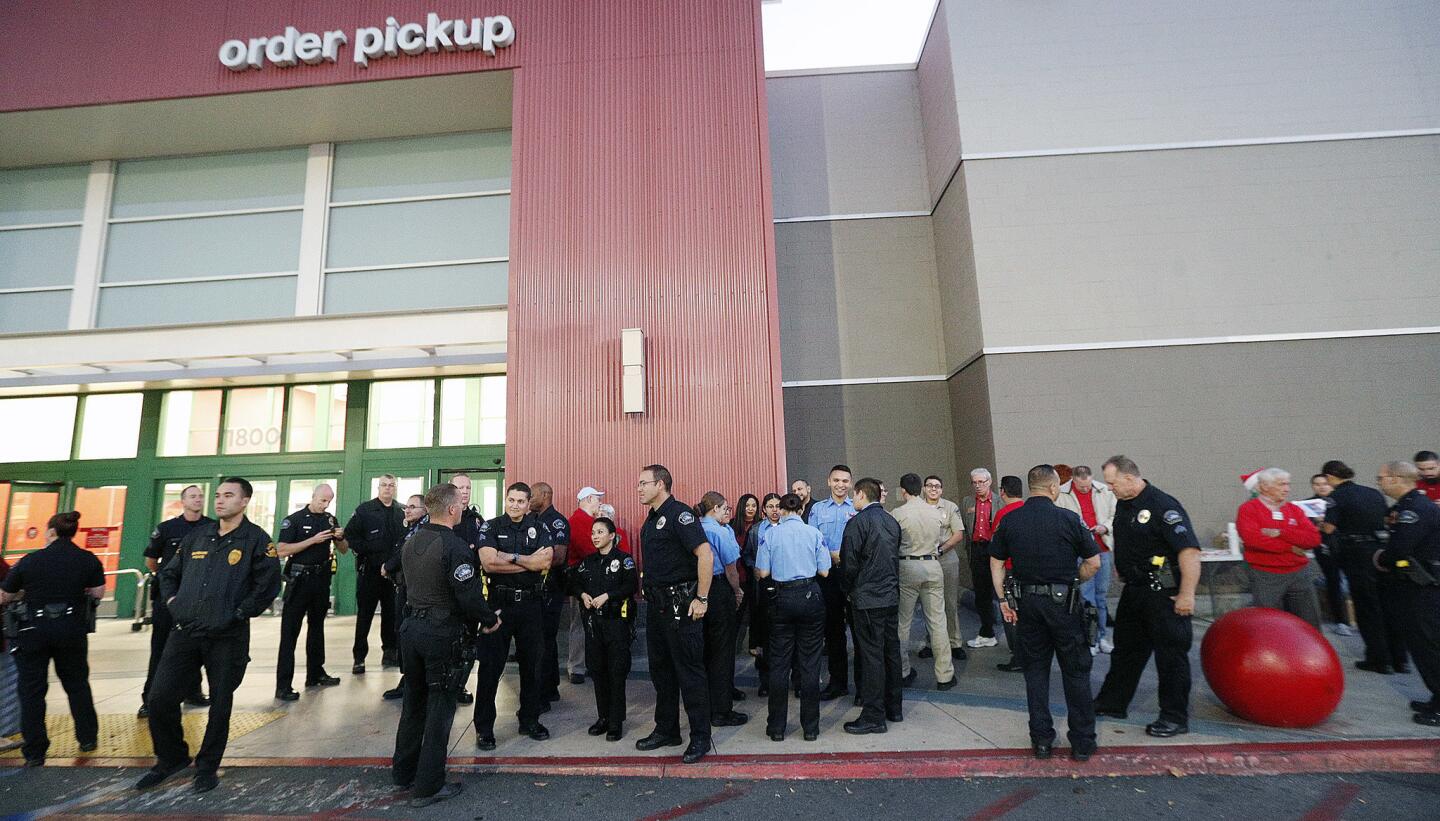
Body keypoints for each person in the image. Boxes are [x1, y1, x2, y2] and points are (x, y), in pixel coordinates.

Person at [137, 477, 281, 793]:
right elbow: (169, 572)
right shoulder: (197, 536)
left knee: (220, 703)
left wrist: (239, 614)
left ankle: (207, 767)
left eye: (228, 495)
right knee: (159, 698)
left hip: (226, 637)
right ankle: (171, 758)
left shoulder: (256, 539)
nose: (219, 500)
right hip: (186, 631)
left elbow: (269, 585)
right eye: (217, 495)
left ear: (244, 502)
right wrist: (174, 602)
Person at [391, 482, 501, 808]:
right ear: (453, 509)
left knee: (413, 702)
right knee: (440, 709)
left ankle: (404, 771)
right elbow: (467, 594)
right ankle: (428, 786)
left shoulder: (412, 542)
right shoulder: (454, 546)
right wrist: (488, 619)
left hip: (411, 629)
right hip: (441, 633)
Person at [990, 465, 1101, 761]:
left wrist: (1003, 599)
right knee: (1075, 672)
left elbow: (997, 562)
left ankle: (1041, 740)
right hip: (1064, 605)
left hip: (1027, 606)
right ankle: (1081, 741)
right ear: (1053, 488)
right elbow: (1094, 563)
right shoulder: (1069, 519)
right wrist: (1073, 581)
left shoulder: (1011, 520)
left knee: (1036, 673)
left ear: (1030, 488)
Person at [1092, 456, 1200, 738]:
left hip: (1163, 592)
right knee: (1126, 651)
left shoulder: (1163, 506)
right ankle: (1113, 702)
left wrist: (1187, 594)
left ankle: (1174, 717)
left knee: (1170, 656)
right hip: (1135, 590)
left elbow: (1188, 552)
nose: (1110, 488)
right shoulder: (1125, 505)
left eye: (1112, 483)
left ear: (1129, 478)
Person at [0, 511, 105, 768]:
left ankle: (35, 751)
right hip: (71, 631)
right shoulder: (87, 559)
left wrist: (26, 593)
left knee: (32, 691)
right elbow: (98, 593)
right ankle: (87, 738)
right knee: (77, 684)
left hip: (32, 632)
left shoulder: (30, 561)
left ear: (50, 532)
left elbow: (5, 595)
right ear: (73, 532)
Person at [634, 464, 715, 764]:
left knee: (689, 673)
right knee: (662, 672)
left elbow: (704, 554)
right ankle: (667, 729)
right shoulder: (652, 518)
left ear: (661, 484)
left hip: (681, 606)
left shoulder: (680, 514)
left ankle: (700, 737)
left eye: (644, 483)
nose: (639, 488)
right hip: (657, 607)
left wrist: (702, 599)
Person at [473, 482, 555, 748]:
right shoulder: (491, 527)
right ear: (505, 500)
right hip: (499, 605)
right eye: (511, 500)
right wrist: (527, 562)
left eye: (521, 501)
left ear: (528, 502)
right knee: (490, 668)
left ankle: (529, 719)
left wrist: (510, 557)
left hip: (531, 607)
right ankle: (484, 728)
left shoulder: (540, 528)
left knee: (532, 667)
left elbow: (544, 563)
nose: (516, 505)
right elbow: (488, 562)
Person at [754, 493, 830, 741]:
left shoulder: (770, 535)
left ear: (783, 511)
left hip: (781, 599)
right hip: (810, 596)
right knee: (810, 664)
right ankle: (811, 728)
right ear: (800, 511)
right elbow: (825, 571)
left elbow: (763, 571)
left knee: (779, 664)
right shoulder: (814, 534)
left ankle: (776, 728)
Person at [1322, 460, 1408, 674]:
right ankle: (1400, 658)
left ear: (1331, 477)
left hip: (1357, 554)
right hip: (1380, 551)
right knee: (1388, 606)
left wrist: (1318, 523)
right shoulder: (1373, 493)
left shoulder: (1336, 497)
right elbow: (1387, 518)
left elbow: (1330, 528)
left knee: (1367, 608)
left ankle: (1379, 659)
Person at [1372, 462, 1440, 725]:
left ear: (1397, 478)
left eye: (1382, 478)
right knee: (1422, 645)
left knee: (1429, 646)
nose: (1379, 483)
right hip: (1413, 586)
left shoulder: (1415, 510)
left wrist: (1381, 558)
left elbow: (1399, 549)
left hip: (1422, 587)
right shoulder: (1406, 507)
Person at [139, 485, 212, 717]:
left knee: (195, 647)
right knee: (160, 647)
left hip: (198, 598)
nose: (198, 500)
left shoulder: (211, 527)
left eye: (200, 496)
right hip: (168, 598)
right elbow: (151, 560)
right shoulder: (168, 528)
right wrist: (167, 577)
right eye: (193, 496)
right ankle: (150, 699)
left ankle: (193, 692)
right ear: (183, 501)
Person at [840, 477, 902, 735]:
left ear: (861, 495)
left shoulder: (857, 523)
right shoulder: (891, 521)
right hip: (889, 596)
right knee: (891, 651)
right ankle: (894, 707)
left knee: (871, 656)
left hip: (867, 599)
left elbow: (849, 563)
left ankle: (874, 715)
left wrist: (846, 590)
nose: (853, 500)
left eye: (854, 496)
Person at [567, 516, 637, 741]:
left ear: (612, 535)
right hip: (594, 624)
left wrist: (609, 595)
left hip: (616, 623)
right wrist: (582, 595)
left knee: (616, 672)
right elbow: (574, 582)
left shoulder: (624, 560)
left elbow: (631, 585)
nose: (595, 536)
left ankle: (616, 721)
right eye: (593, 532)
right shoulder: (588, 562)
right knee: (597, 670)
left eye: (600, 532)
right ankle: (603, 717)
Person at [274, 484, 347, 701]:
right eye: (322, 500)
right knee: (290, 632)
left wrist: (340, 537)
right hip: (299, 580)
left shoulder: (330, 520)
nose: (325, 505)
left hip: (321, 580)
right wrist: (312, 541)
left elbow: (343, 550)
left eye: (328, 501)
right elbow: (281, 549)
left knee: (317, 628)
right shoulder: (294, 520)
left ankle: (315, 674)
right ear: (313, 496)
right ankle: (283, 684)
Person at [892, 473, 957, 690]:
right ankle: (945, 676)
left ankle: (902, 672)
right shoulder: (934, 512)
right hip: (933, 565)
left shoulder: (898, 514)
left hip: (908, 566)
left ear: (903, 490)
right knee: (938, 622)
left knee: (903, 623)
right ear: (921, 489)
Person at [1236, 468, 1322, 627]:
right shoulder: (1248, 510)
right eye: (1281, 484)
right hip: (1266, 575)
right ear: (1264, 486)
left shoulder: (1294, 510)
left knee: (1309, 623)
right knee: (1271, 624)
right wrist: (1290, 547)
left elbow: (1313, 539)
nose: (1287, 489)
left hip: (1299, 573)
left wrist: (1281, 532)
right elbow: (1253, 540)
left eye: (1288, 484)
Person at [697, 492, 748, 727]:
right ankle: (722, 710)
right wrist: (737, 592)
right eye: (724, 508)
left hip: (698, 592)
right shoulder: (718, 532)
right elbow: (731, 569)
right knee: (722, 652)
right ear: (715, 508)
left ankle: (706, 703)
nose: (727, 512)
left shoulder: (696, 528)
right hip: (718, 589)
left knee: (705, 650)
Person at [346, 474, 405, 675]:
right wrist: (368, 549)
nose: (388, 488)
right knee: (365, 616)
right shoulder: (365, 510)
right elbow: (350, 536)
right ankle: (359, 658)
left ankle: (390, 653)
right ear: (378, 488)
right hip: (369, 572)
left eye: (391, 485)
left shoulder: (401, 511)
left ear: (395, 488)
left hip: (393, 575)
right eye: (384, 485)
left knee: (391, 615)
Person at [808, 465, 857, 701]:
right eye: (836, 480)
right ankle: (838, 683)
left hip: (853, 575)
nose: (840, 484)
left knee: (858, 632)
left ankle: (863, 686)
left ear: (851, 483)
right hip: (827, 576)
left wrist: (844, 556)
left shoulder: (858, 508)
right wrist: (831, 556)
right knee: (833, 631)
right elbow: (812, 542)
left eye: (845, 481)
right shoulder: (817, 510)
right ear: (828, 481)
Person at [1057, 466, 1117, 654]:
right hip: (1079, 552)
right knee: (1085, 596)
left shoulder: (1104, 490)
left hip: (1102, 548)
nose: (1085, 489)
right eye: (1081, 487)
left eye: (1088, 485)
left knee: (1100, 596)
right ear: (1073, 481)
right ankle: (1089, 639)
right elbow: (1060, 520)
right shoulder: (1062, 494)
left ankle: (1101, 636)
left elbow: (1115, 515)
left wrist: (1104, 527)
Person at [382, 494, 429, 702]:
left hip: (414, 592)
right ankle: (408, 680)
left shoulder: (422, 529)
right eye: (406, 507)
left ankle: (412, 683)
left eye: (412, 507)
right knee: (401, 633)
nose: (407, 510)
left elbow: (403, 553)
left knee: (409, 635)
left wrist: (388, 566)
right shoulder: (410, 528)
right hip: (403, 588)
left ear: (425, 509)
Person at [919, 475, 967, 662]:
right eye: (929, 486)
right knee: (928, 603)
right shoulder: (918, 508)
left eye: (937, 486)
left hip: (946, 560)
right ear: (924, 488)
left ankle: (954, 643)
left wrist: (940, 550)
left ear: (942, 490)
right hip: (924, 561)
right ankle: (932, 642)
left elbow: (958, 534)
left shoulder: (950, 507)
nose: (933, 489)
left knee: (949, 602)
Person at [529, 482, 570, 704]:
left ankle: (545, 690)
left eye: (532, 495)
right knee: (540, 639)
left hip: (551, 588)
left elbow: (559, 556)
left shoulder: (556, 522)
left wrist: (528, 562)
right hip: (536, 588)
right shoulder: (533, 520)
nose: (529, 500)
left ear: (545, 495)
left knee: (545, 638)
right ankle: (550, 686)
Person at [565, 487, 605, 685]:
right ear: (589, 499)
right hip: (583, 580)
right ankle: (577, 666)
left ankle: (582, 665)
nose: (599, 503)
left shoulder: (582, 521)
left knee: (582, 623)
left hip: (587, 578)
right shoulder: (580, 522)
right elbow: (590, 549)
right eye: (597, 499)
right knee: (580, 623)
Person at [1307, 474, 1356, 636]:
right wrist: (1318, 523)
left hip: (1346, 547)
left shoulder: (1340, 500)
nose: (1321, 487)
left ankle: (1355, 617)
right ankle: (1340, 620)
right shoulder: (1307, 505)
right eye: (1317, 484)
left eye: (1325, 483)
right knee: (1333, 581)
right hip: (1324, 547)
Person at [744, 493, 783, 695]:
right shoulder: (756, 530)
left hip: (785, 587)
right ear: (764, 510)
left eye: (778, 506)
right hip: (763, 589)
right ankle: (765, 681)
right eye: (770, 506)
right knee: (764, 636)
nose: (774, 510)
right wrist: (755, 568)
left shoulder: (788, 528)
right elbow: (747, 555)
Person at [962, 469, 1003, 649]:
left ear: (990, 481)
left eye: (982, 482)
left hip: (996, 549)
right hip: (977, 550)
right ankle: (987, 631)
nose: (978, 486)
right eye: (975, 482)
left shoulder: (999, 501)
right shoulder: (968, 502)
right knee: (981, 593)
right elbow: (965, 527)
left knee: (1003, 590)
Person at [991, 476, 1026, 673]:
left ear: (1002, 491)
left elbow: (996, 548)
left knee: (1010, 614)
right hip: (1027, 571)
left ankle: (1018, 656)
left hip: (1010, 571)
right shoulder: (1027, 511)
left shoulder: (1003, 515)